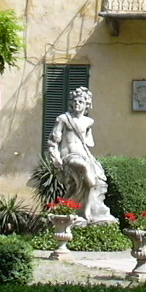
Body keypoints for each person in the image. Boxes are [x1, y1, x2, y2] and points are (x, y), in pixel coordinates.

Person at [47, 87, 117, 224]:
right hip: (69, 156)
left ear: (86, 104)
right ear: (71, 103)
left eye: (81, 102)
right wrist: (55, 158)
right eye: (75, 101)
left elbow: (88, 142)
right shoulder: (63, 119)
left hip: (84, 155)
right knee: (86, 172)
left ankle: (86, 209)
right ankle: (82, 209)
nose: (77, 104)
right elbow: (53, 141)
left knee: (97, 181)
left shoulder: (88, 122)